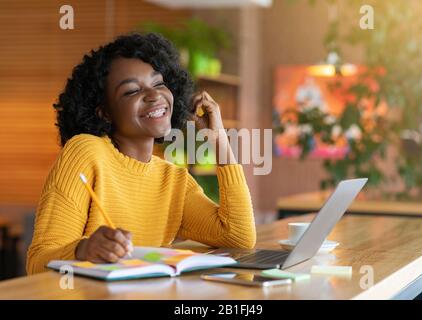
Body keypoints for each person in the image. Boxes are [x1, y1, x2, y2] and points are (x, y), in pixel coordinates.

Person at [26, 33, 256, 274]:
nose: (154, 95)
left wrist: (218, 139)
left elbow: (238, 236)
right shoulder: (86, 152)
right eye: (132, 91)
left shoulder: (173, 179)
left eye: (158, 83)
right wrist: (83, 250)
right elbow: (38, 263)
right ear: (104, 112)